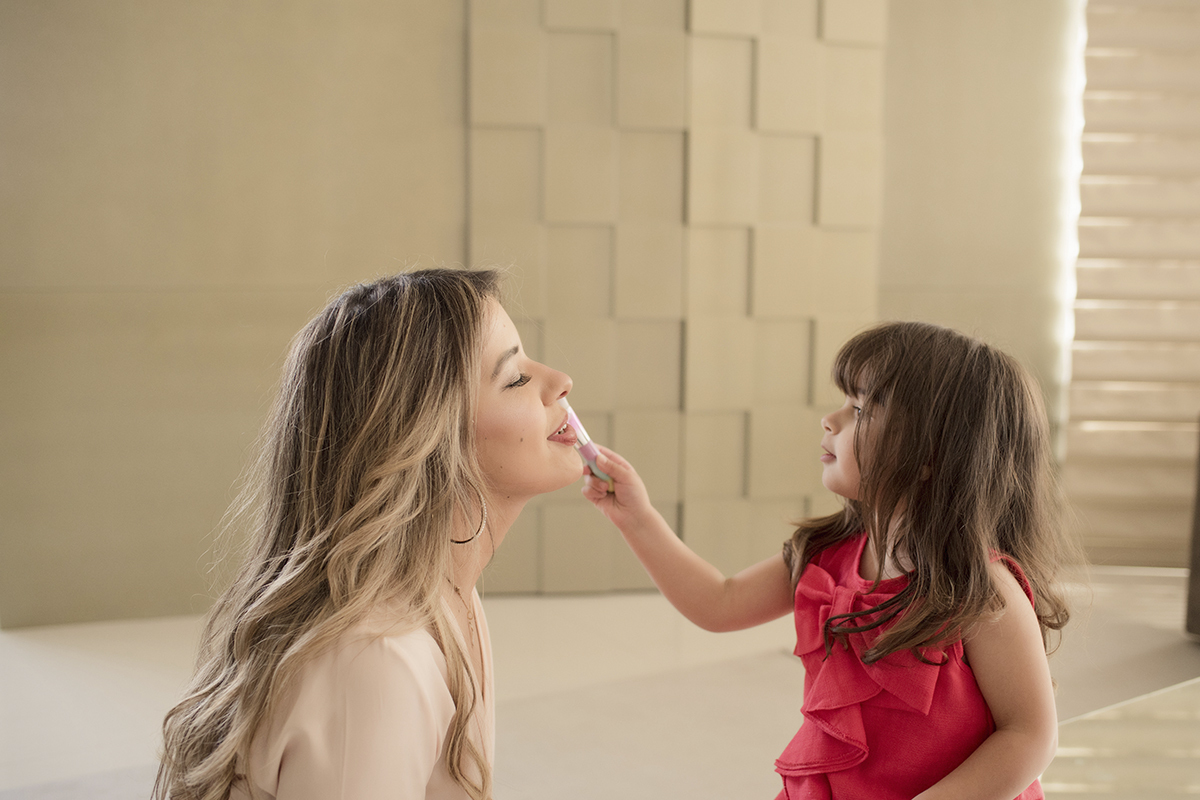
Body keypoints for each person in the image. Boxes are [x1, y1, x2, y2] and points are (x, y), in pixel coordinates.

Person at [582, 321, 1077, 800]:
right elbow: (720, 602)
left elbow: (1031, 735)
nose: (831, 419)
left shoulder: (980, 588)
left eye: (860, 409)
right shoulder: (828, 556)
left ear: (929, 455)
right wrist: (637, 517)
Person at [155, 268, 585, 800]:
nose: (560, 380)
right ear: (425, 439)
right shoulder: (376, 664)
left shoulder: (452, 597)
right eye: (514, 377)